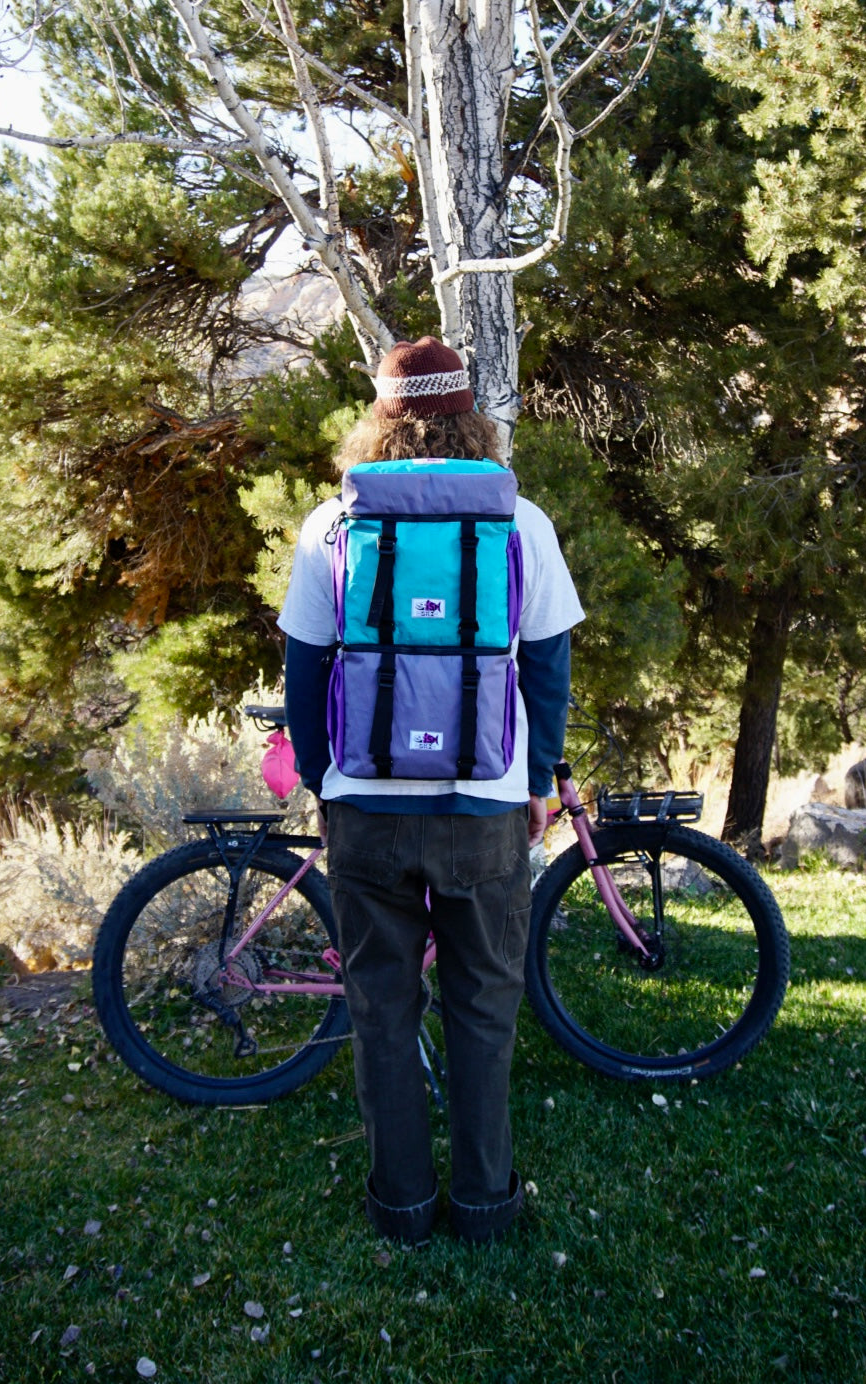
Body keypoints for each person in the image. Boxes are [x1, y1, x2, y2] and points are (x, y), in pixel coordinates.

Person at [278, 336, 584, 1245]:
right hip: (484, 809)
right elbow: (548, 671)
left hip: (366, 805)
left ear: (380, 419)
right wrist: (534, 782)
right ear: (468, 415)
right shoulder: (519, 521)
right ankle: (486, 1206)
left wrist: (318, 783)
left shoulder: (331, 525)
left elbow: (304, 671)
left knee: (380, 1010)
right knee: (484, 1009)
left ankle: (402, 1207)